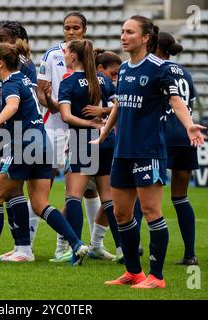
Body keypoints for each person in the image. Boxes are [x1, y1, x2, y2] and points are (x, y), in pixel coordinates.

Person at [92, 16, 205, 289]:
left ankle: (157, 277)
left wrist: (189, 125)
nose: (123, 36)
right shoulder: (126, 69)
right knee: (121, 214)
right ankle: (134, 272)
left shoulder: (160, 68)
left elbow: (176, 100)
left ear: (145, 38)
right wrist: (104, 134)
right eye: (122, 31)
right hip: (123, 152)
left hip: (149, 152)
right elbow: (120, 105)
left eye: (129, 32)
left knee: (152, 211)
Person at [0, 41, 89, 265]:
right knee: (40, 203)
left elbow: (12, 106)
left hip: (24, 144)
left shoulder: (11, 83)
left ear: (0, 63)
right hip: (42, 143)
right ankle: (75, 244)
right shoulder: (23, 79)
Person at [38, 12, 108, 262]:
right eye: (67, 27)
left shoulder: (91, 55)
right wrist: (56, 106)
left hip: (83, 133)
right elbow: (41, 94)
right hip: (55, 129)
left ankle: (91, 245)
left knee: (87, 191)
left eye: (75, 27)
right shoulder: (51, 55)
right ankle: (44, 246)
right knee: (43, 186)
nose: (71, 32)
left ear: (85, 29)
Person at [0, 21, 40, 261]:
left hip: (22, 134)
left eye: (1, 38)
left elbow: (24, 98)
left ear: (15, 39)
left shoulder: (23, 64)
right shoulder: (5, 61)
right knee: (11, 191)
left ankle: (21, 247)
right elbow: (6, 98)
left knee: (8, 190)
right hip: (8, 131)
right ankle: (21, 246)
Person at [58, 39, 123, 264]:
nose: (64, 56)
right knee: (107, 197)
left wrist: (90, 124)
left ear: (73, 56)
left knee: (73, 196)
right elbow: (120, 106)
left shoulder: (69, 82)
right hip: (107, 141)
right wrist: (103, 119)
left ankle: (77, 249)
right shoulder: (102, 79)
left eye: (66, 53)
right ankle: (123, 247)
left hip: (82, 140)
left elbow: (66, 116)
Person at [153, 32, 200, 265]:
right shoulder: (186, 73)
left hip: (164, 132)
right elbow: (187, 104)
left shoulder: (155, 69)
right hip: (187, 134)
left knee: (147, 193)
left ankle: (134, 250)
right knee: (180, 197)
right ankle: (190, 254)